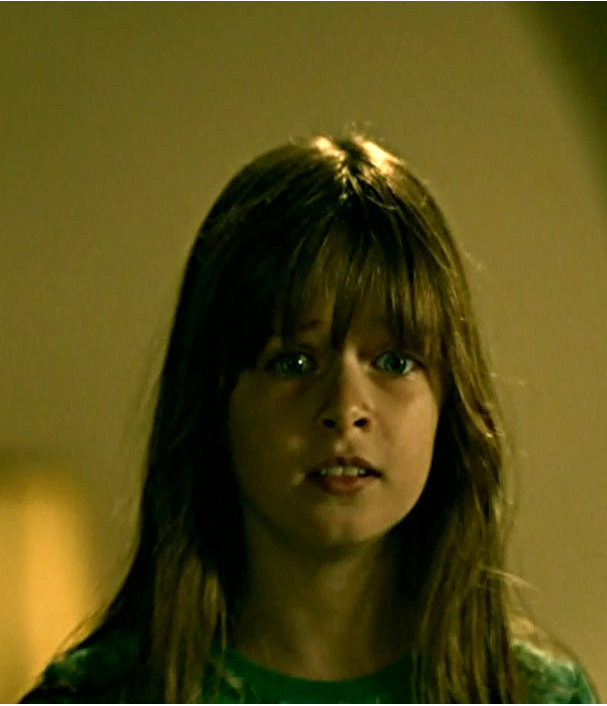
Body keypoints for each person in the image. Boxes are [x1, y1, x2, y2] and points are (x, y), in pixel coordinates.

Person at [21, 133, 598, 703]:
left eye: (394, 362)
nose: (346, 409)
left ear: (450, 405)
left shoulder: (532, 697)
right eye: (293, 362)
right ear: (215, 400)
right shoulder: (97, 695)